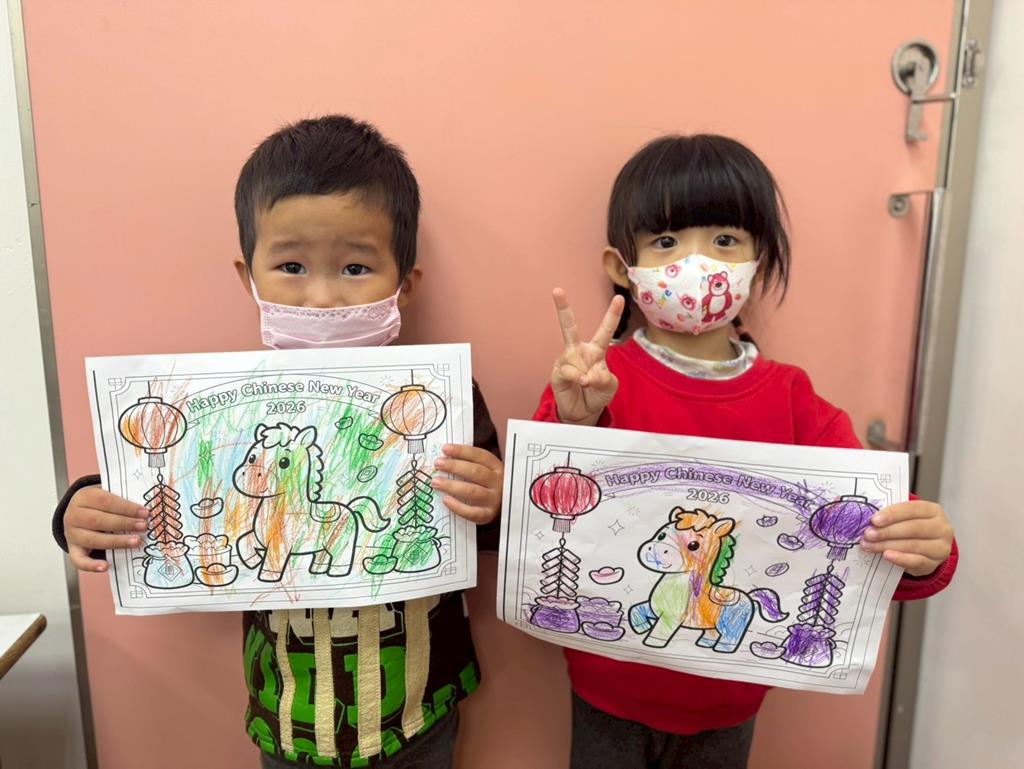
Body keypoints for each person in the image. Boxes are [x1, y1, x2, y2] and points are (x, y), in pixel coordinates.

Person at [52, 115, 504, 768]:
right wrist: (83, 510)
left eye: (355, 267)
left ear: (404, 284)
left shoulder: (442, 399)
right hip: (287, 713)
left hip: (418, 710)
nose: (320, 297)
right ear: (249, 278)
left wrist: (493, 500)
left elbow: (489, 534)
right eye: (291, 266)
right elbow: (161, 494)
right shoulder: (220, 412)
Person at [536, 133, 958, 769]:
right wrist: (575, 417)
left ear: (758, 261)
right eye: (667, 241)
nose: (698, 261)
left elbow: (864, 528)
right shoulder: (596, 382)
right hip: (607, 689)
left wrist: (924, 550)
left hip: (730, 705)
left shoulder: (793, 399)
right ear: (623, 266)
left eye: (725, 240)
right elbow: (545, 507)